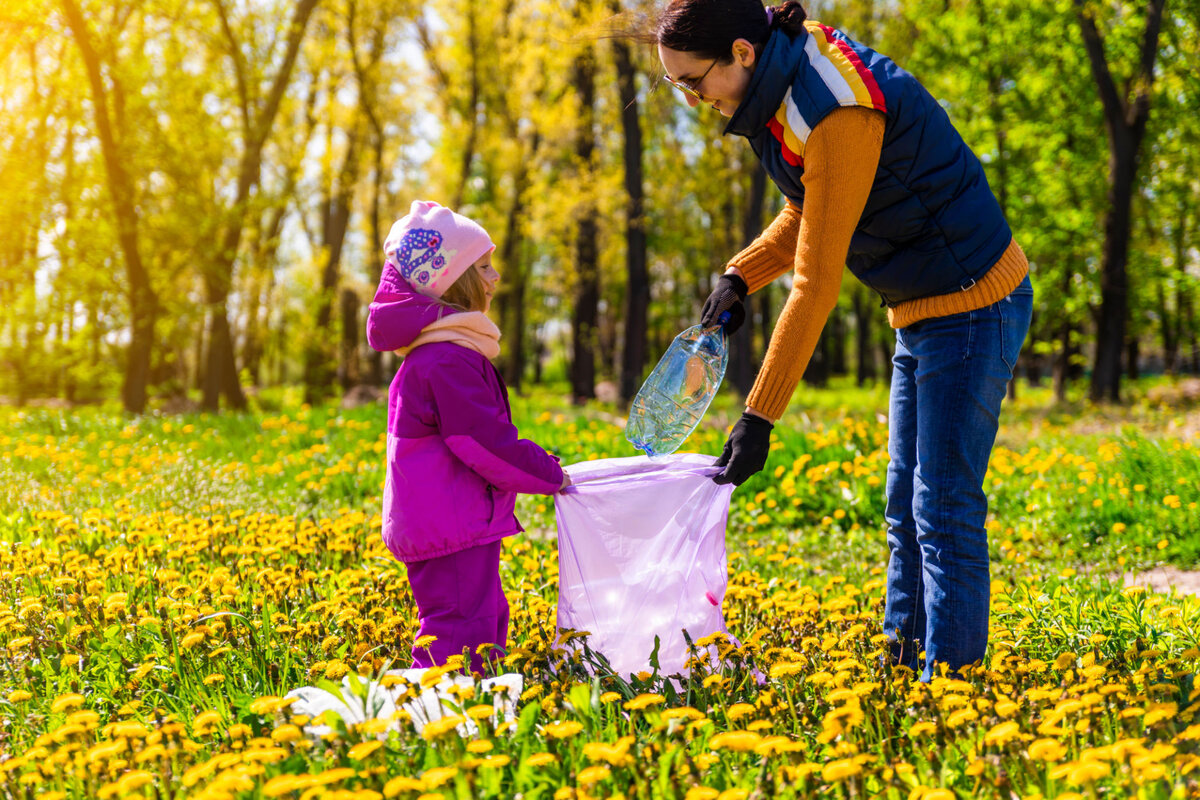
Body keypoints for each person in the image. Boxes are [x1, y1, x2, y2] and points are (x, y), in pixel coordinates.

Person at [655, 0, 1033, 681]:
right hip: (920, 307)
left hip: (976, 303)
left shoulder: (835, 106)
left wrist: (758, 417)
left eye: (693, 80)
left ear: (742, 53)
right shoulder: (784, 84)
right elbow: (810, 205)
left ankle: (951, 688)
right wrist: (740, 277)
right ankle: (902, 654)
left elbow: (816, 284)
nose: (692, 99)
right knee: (902, 502)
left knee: (942, 505)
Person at [366, 200, 570, 675]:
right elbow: (481, 443)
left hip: (451, 522)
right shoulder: (446, 360)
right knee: (460, 628)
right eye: (483, 266)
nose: (496, 277)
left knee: (484, 618)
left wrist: (538, 462)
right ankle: (442, 715)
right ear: (452, 282)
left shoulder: (441, 354)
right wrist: (548, 474)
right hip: (450, 527)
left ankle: (471, 705)